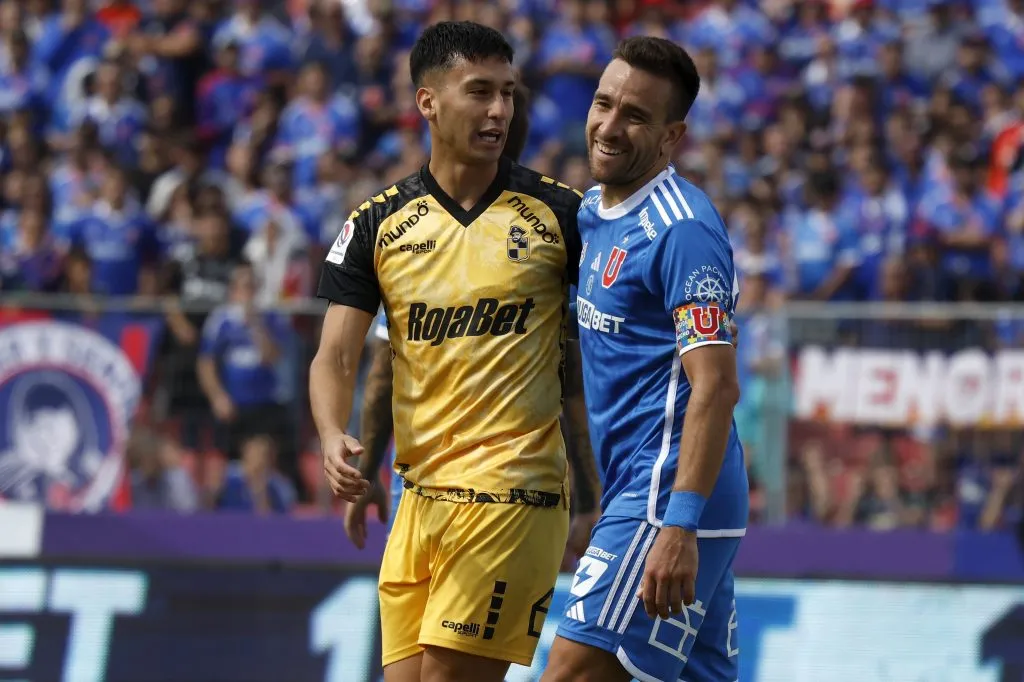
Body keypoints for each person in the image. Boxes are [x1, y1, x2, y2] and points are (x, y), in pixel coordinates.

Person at [310, 21, 597, 682]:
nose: (499, 110)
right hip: (418, 497)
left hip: (513, 491)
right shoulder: (377, 224)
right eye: (480, 92)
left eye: (507, 93)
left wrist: (594, 490)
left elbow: (583, 363)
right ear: (428, 102)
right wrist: (333, 437)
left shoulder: (562, 215)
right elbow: (340, 358)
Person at [541, 36, 749, 682]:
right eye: (603, 103)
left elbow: (715, 387)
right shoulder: (592, 213)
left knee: (569, 674)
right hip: (642, 493)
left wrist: (678, 525)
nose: (608, 126)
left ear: (671, 136)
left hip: (665, 498)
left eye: (634, 115)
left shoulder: (682, 231)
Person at [343, 84, 600, 550]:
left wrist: (369, 468)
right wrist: (588, 495)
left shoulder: (411, 227)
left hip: (422, 481)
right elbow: (572, 383)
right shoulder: (552, 224)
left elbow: (383, 373)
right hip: (517, 482)